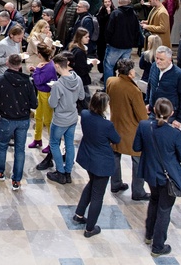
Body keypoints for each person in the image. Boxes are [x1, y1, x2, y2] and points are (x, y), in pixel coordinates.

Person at [134, 98, 181, 258]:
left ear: (153, 110)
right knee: (164, 210)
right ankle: (158, 246)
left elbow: (136, 147)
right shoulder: (174, 133)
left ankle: (149, 234)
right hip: (167, 177)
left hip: (150, 174)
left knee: (154, 201)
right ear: (171, 113)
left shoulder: (144, 126)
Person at [73, 92, 120, 238]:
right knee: (98, 195)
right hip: (102, 163)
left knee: (91, 184)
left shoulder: (85, 115)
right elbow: (116, 139)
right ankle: (90, 228)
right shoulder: (107, 125)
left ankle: (79, 214)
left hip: (88, 157)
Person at [0, 54, 38, 191]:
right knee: (20, 150)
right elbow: (34, 104)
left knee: (2, 145)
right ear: (20, 65)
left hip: (7, 119)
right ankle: (16, 180)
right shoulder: (28, 82)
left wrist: (0, 111)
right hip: (23, 120)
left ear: (7, 63)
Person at [106, 59, 150, 200]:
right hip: (131, 130)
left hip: (115, 124)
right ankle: (138, 191)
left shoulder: (111, 81)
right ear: (131, 71)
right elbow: (142, 116)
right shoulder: (133, 90)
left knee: (115, 155)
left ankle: (115, 183)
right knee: (138, 160)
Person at [43, 52, 84, 183]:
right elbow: (82, 97)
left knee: (54, 144)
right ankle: (68, 172)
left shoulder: (58, 85)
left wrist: (52, 94)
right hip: (72, 117)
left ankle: (60, 172)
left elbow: (52, 103)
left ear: (57, 66)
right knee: (69, 144)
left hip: (60, 119)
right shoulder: (77, 79)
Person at [146, 47, 181, 127]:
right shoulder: (154, 67)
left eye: (161, 59)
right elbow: (150, 86)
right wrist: (148, 102)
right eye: (157, 58)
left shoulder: (178, 74)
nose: (158, 61)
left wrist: (179, 119)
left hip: (169, 116)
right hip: (153, 112)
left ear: (169, 60)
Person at [104, 0, 141, 81]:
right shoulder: (133, 14)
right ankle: (122, 85)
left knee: (109, 65)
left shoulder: (115, 13)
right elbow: (137, 30)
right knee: (125, 68)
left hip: (114, 45)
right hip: (128, 46)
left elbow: (109, 30)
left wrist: (107, 41)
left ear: (119, 2)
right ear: (129, 2)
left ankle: (109, 87)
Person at [95, 0, 114, 72]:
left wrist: (109, 13)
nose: (107, 3)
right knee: (101, 53)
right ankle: (101, 68)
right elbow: (100, 20)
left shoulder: (114, 10)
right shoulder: (101, 10)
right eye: (105, 2)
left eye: (108, 2)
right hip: (102, 35)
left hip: (110, 35)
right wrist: (107, 14)